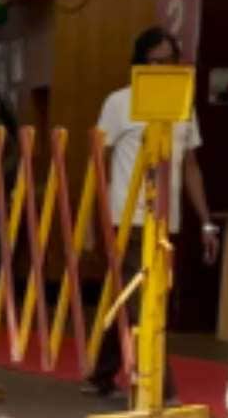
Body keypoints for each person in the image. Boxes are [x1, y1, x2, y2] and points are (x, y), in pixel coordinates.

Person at [84, 27, 218, 397]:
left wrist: (206, 221)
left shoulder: (184, 104)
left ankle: (103, 372)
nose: (160, 68)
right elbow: (100, 161)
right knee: (145, 299)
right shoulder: (119, 102)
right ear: (138, 63)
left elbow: (190, 165)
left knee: (127, 298)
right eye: (153, 61)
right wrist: (94, 224)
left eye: (168, 61)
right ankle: (157, 383)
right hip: (126, 218)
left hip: (165, 220)